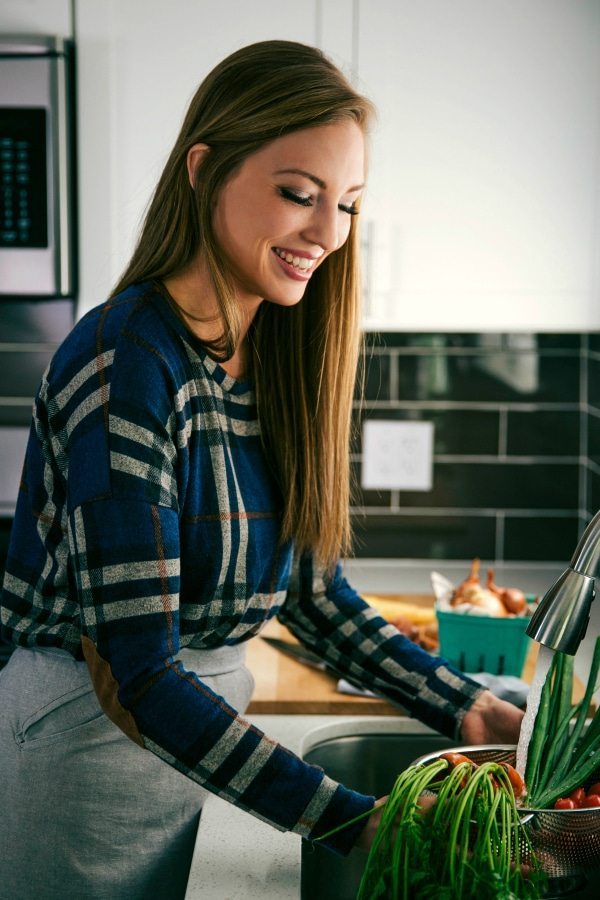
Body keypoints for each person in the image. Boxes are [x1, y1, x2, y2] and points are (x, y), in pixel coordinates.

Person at [0, 39, 523, 900]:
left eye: (348, 204)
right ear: (204, 171)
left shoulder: (264, 354)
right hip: (84, 756)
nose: (328, 233)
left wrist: (464, 708)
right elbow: (141, 673)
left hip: (191, 745)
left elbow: (311, 594)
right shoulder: (128, 359)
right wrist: (349, 817)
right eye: (298, 194)